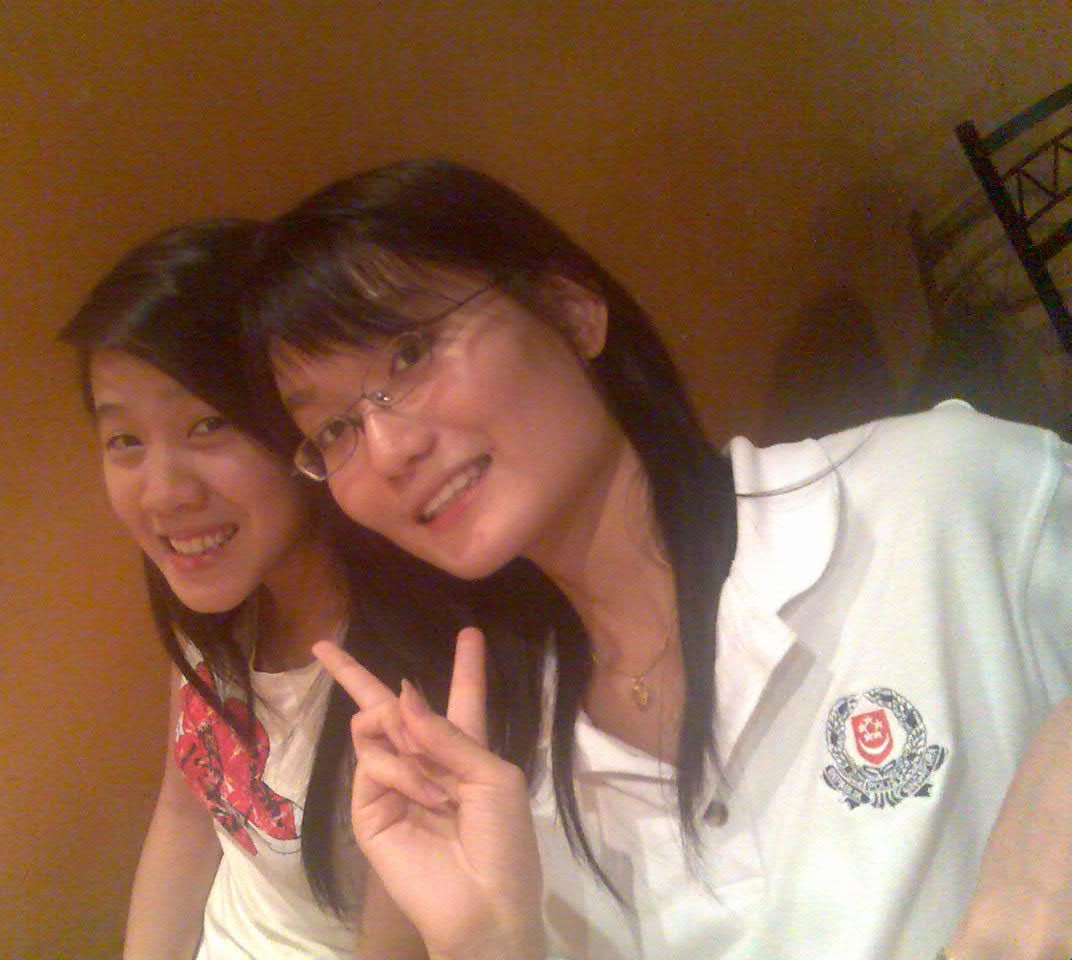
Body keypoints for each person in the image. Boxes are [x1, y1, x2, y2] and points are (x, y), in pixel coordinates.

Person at [240, 159, 1072, 960]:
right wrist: (486, 945)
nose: (387, 450)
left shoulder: (934, 498)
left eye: (411, 352)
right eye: (334, 430)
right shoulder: (500, 782)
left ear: (571, 311)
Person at [60, 218, 547, 960]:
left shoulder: (417, 683)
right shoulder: (213, 602)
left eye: (208, 425)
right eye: (124, 439)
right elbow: (186, 820)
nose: (162, 494)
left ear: (303, 430)